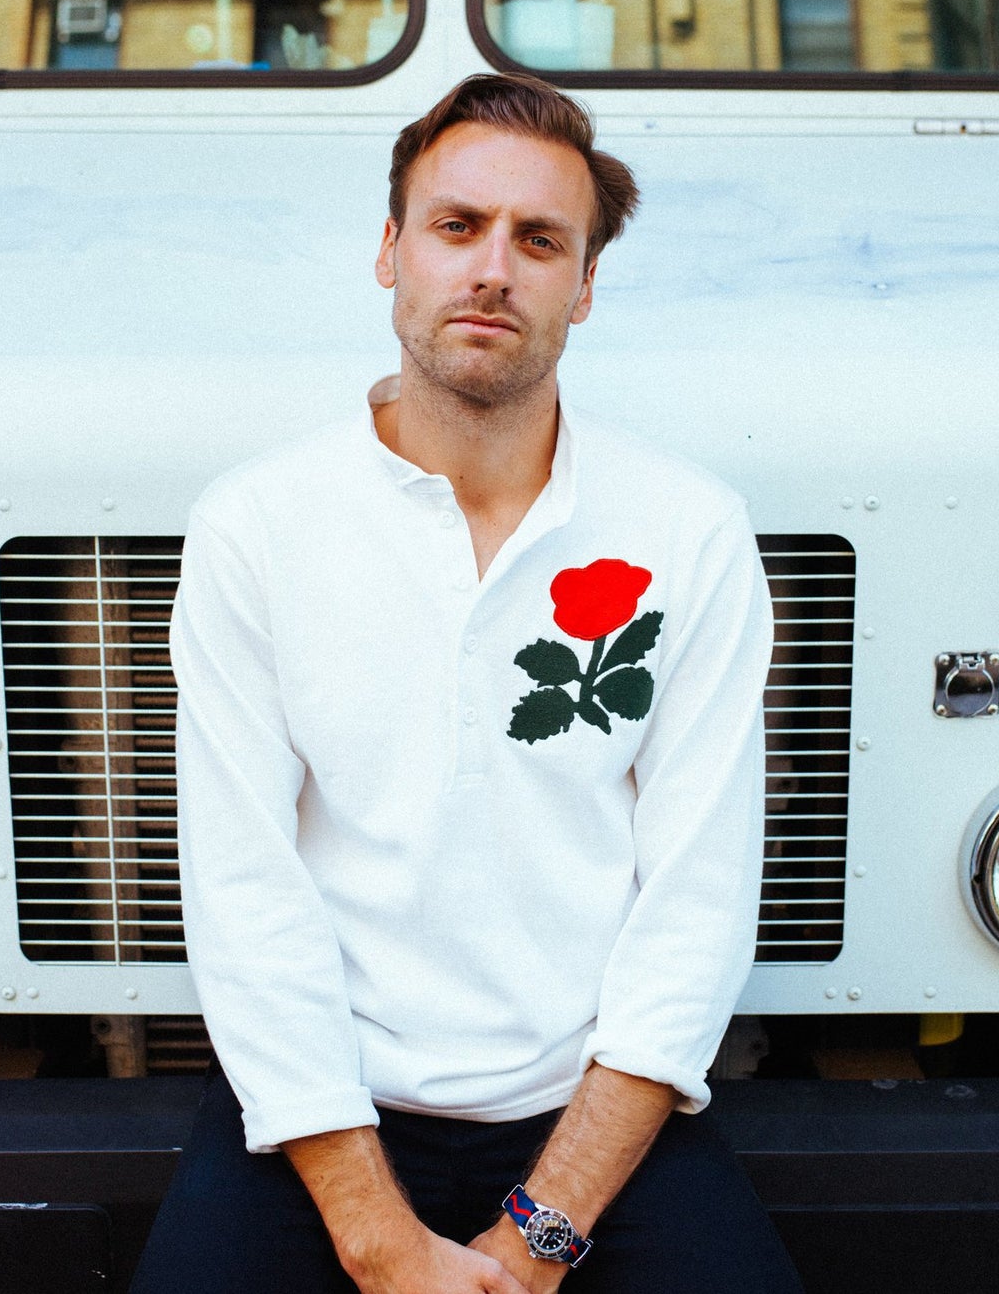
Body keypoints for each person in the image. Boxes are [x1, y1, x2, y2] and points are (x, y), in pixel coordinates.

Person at [133, 74, 803, 1293]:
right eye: (456, 226)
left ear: (584, 285)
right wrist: (381, 1244)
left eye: (538, 239)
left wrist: (540, 1232)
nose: (493, 268)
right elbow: (243, 886)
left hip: (593, 1116)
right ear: (390, 251)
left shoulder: (689, 529)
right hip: (320, 1112)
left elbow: (695, 900)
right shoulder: (256, 525)